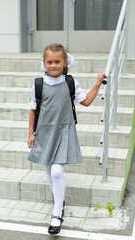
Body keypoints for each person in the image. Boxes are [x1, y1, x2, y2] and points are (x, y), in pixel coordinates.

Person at [27, 43, 107, 235]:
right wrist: (31, 133)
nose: (53, 65)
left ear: (64, 62)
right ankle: (58, 201)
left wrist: (97, 83)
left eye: (57, 61)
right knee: (48, 169)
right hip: (44, 132)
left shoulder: (71, 82)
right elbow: (33, 110)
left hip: (64, 131)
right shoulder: (38, 85)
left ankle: (57, 213)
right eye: (49, 61)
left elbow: (86, 101)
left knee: (56, 172)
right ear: (44, 63)